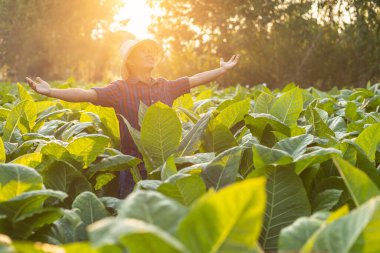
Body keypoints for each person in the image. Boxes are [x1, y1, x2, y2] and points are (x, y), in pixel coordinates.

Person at [25, 38, 240, 198]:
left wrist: (221, 70)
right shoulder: (119, 90)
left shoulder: (166, 86)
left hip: (163, 168)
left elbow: (194, 79)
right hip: (133, 170)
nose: (149, 54)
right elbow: (86, 94)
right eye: (142, 52)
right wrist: (50, 91)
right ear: (130, 61)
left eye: (151, 51)